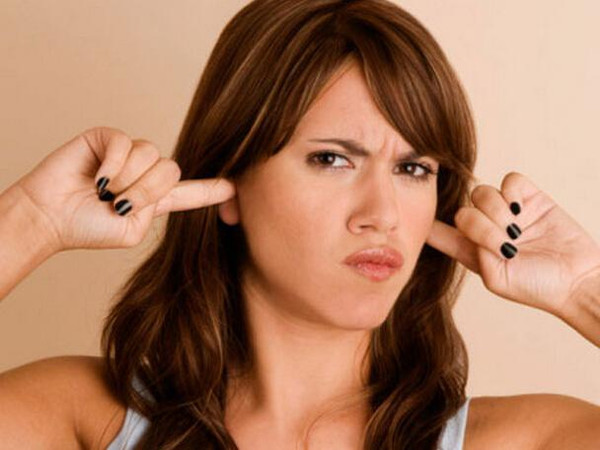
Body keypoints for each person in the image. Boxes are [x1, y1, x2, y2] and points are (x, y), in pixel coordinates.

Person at [1, 0, 599, 448]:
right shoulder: (87, 419)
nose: (383, 214)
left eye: (413, 168)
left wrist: (584, 290)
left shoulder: (521, 440)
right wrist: (31, 221)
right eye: (332, 160)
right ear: (230, 180)